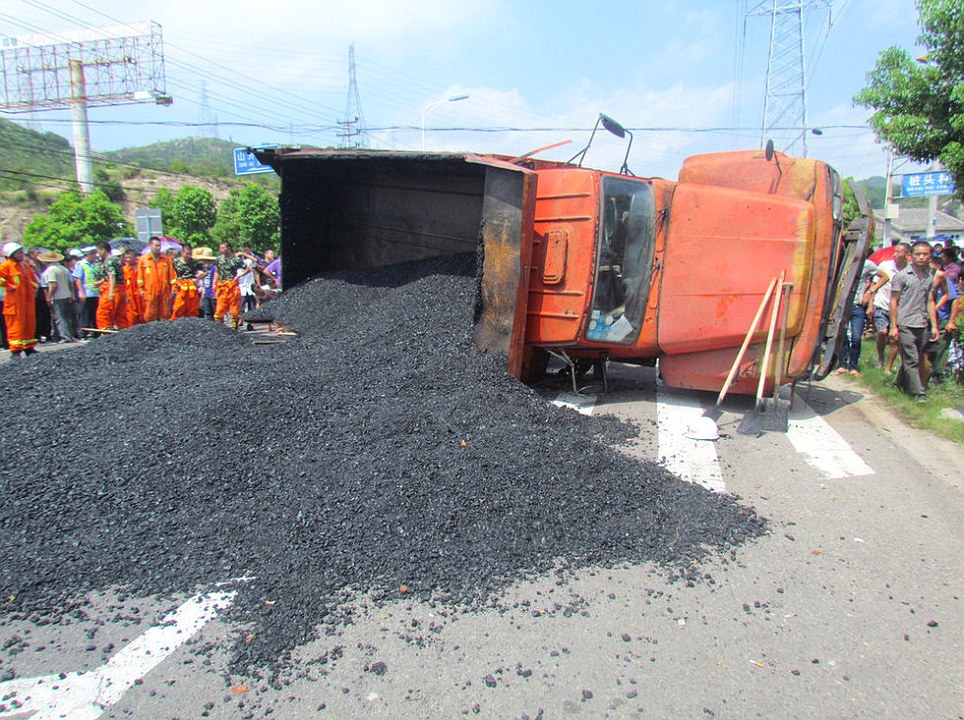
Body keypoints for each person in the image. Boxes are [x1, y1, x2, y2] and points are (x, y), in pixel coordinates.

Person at [889, 240, 938, 402]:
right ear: (911, 256)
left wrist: (935, 326)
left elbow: (930, 301)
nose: (921, 257)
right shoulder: (902, 276)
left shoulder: (930, 277)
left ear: (930, 256)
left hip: (922, 323)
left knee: (914, 356)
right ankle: (919, 393)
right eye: (918, 254)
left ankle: (898, 383)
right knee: (912, 359)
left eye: (925, 254)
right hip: (905, 323)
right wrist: (893, 326)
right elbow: (894, 301)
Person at [835, 248, 879, 375]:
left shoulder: (867, 264)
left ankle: (853, 366)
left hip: (857, 306)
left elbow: (884, 277)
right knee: (841, 336)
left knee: (856, 338)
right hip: (843, 305)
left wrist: (871, 291)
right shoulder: (844, 263)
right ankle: (843, 365)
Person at [872, 242, 907, 374]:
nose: (896, 254)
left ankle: (889, 367)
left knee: (894, 338)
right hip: (882, 304)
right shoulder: (885, 266)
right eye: (895, 251)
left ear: (906, 255)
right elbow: (875, 285)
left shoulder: (908, 271)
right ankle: (880, 356)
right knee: (882, 332)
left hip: (898, 308)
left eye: (899, 252)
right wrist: (871, 304)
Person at [0, 242, 39, 356]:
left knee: (29, 323)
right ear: (11, 254)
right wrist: (9, 286)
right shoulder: (6, 265)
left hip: (27, 300)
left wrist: (33, 287)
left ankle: (29, 347)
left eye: (22, 252)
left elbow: (33, 280)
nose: (22, 254)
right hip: (14, 301)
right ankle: (15, 350)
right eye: (19, 253)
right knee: (15, 325)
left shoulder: (25, 266)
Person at [137, 236, 175, 322]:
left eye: (159, 246)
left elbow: (172, 276)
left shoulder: (166, 260)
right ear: (150, 245)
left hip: (164, 291)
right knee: (150, 314)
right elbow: (140, 277)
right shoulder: (143, 260)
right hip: (150, 292)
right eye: (156, 246)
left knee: (165, 314)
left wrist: (174, 287)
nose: (158, 248)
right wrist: (141, 289)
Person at [40, 251, 75, 343]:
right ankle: (69, 335)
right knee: (67, 317)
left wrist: (49, 296)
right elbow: (71, 282)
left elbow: (53, 284)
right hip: (67, 295)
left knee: (60, 317)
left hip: (58, 297)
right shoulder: (63, 268)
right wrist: (72, 294)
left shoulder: (50, 270)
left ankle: (65, 336)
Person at [213, 242, 249, 328]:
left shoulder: (236, 259)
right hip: (222, 286)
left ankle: (234, 326)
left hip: (232, 286)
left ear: (228, 248)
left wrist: (239, 275)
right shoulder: (219, 259)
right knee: (220, 308)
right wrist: (214, 282)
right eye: (220, 248)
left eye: (223, 248)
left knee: (234, 308)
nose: (221, 249)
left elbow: (248, 269)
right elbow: (217, 271)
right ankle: (219, 328)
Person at [94, 243, 129, 330]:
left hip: (112, 289)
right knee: (121, 315)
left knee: (104, 313)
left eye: (98, 251)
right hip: (121, 289)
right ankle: (124, 332)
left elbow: (112, 275)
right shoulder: (118, 260)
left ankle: (105, 332)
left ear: (103, 250)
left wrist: (111, 292)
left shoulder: (108, 260)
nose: (97, 253)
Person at [171, 242, 206, 320]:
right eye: (187, 254)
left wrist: (199, 277)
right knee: (178, 307)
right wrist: (174, 284)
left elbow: (206, 271)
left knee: (193, 308)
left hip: (192, 287)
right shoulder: (175, 262)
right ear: (182, 252)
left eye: (190, 254)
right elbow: (170, 274)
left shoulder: (195, 262)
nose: (189, 256)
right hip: (180, 287)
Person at [74, 245, 101, 337]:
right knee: (85, 314)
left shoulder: (95, 265)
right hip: (86, 293)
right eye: (93, 254)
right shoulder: (81, 264)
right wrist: (81, 292)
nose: (95, 256)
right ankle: (83, 333)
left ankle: (95, 332)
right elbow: (78, 279)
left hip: (95, 293)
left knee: (95, 313)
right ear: (88, 255)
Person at [123, 248, 144, 326]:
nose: (128, 260)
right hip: (130, 296)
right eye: (126, 258)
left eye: (130, 257)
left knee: (143, 314)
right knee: (131, 316)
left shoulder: (141, 268)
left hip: (141, 295)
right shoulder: (124, 269)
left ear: (135, 258)